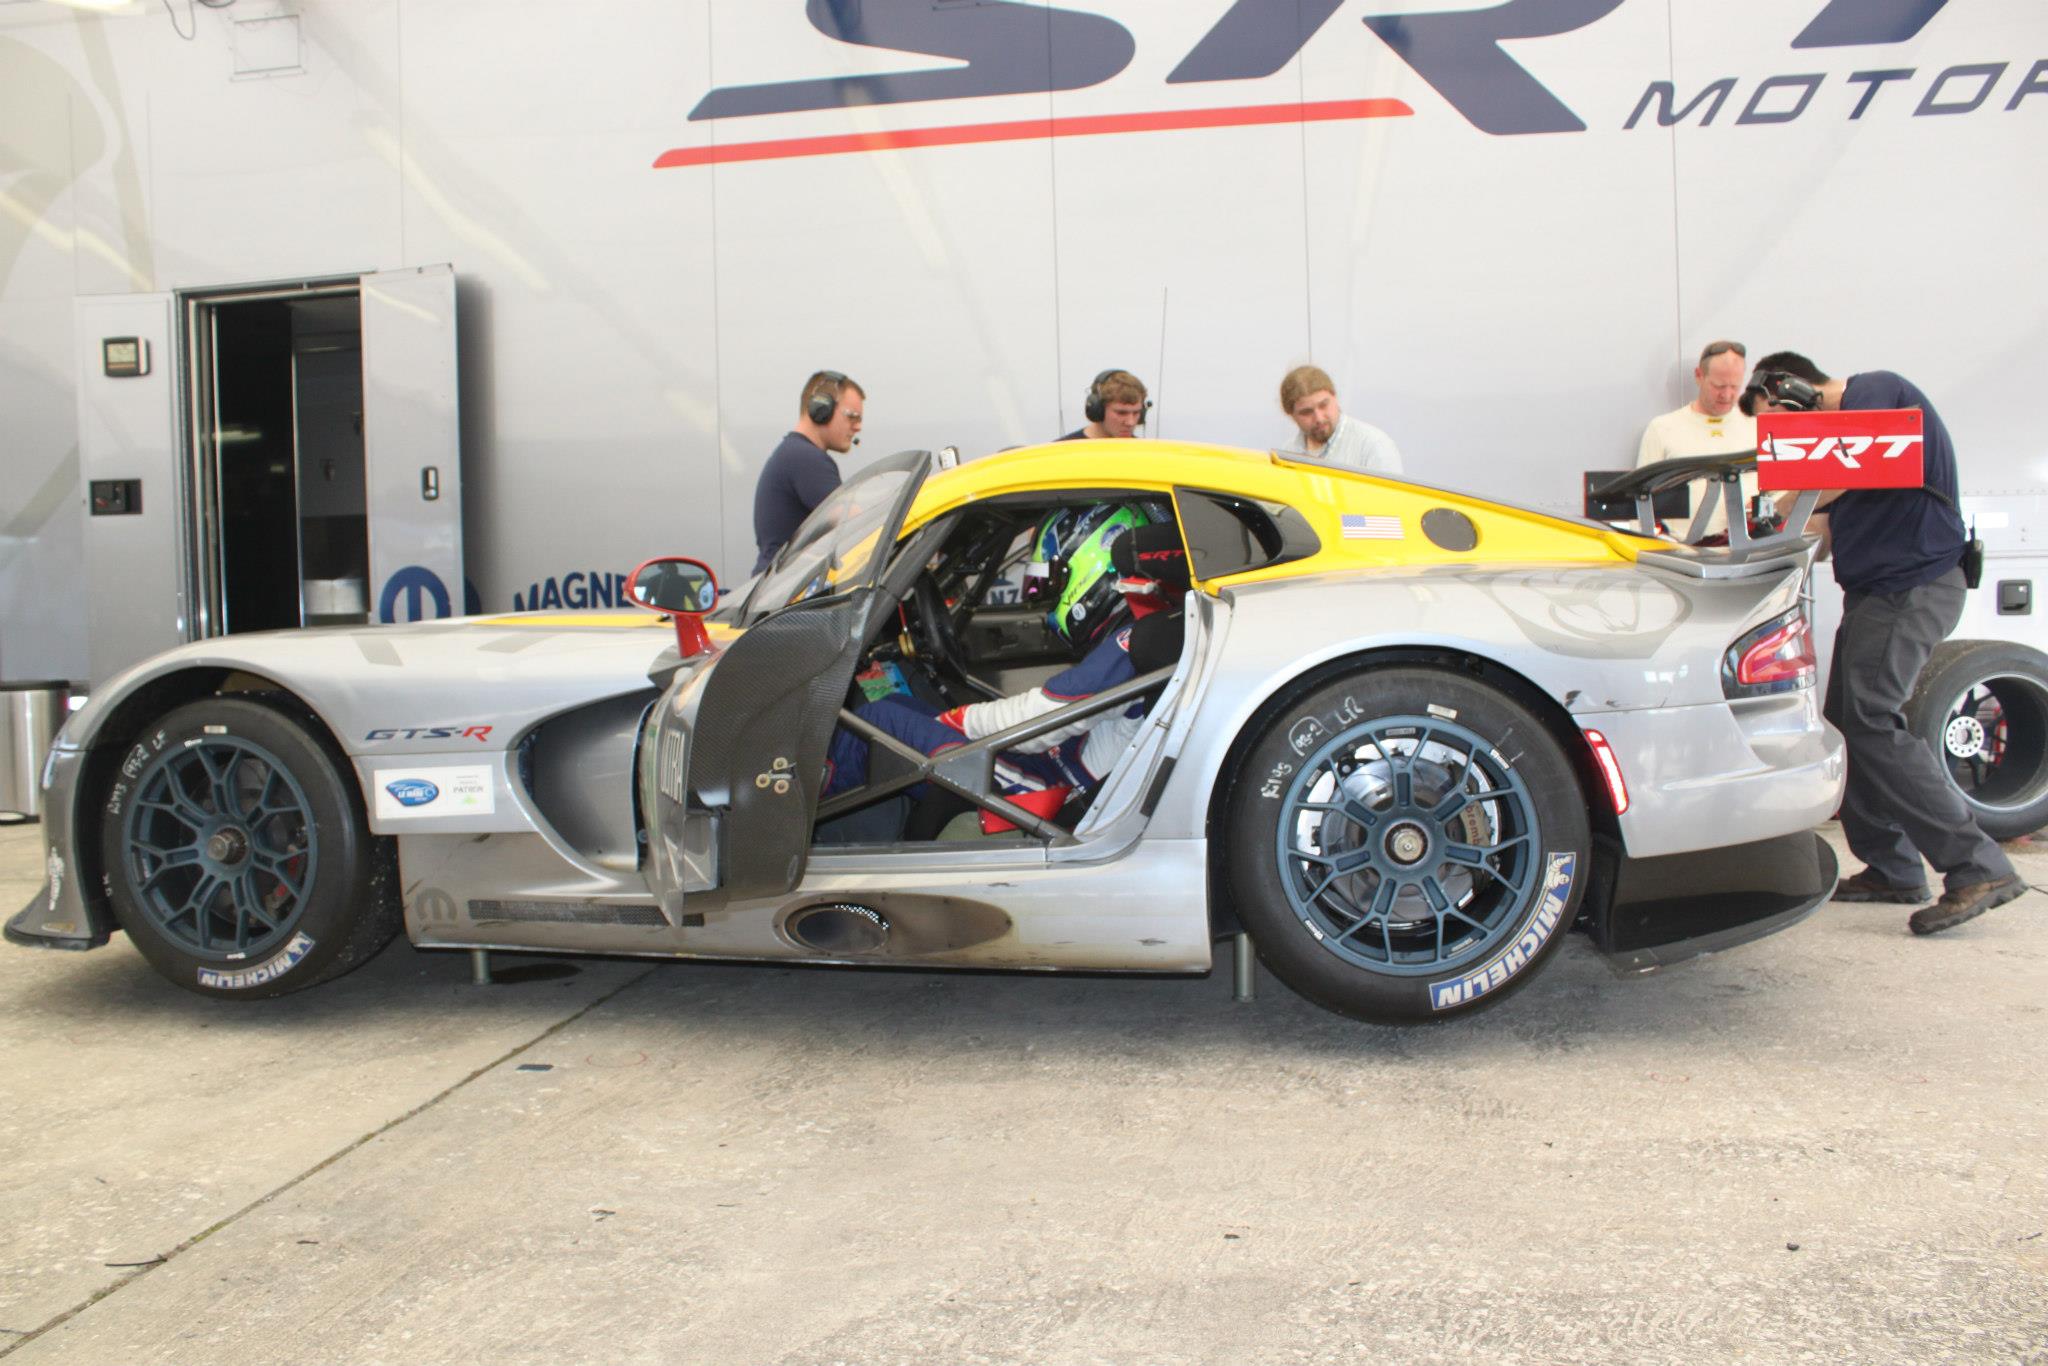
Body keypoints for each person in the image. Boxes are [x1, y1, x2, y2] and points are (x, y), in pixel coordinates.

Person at [1742, 351, 2025, 935]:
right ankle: (1892, 867)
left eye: (1782, 420)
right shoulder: (1846, 470)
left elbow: (1848, 468)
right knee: (1845, 720)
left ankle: (1978, 865)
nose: (1788, 441)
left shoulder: (1878, 391)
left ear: (1791, 389)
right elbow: (1815, 529)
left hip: (1913, 586)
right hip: (1878, 594)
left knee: (1872, 716)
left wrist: (1786, 498)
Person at [822, 523, 1191, 832]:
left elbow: (1042, 720)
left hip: (1053, 786)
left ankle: (810, 809)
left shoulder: (1136, 641)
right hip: (1055, 765)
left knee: (877, 723)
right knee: (895, 706)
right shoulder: (1149, 632)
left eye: (1051, 583)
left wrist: (960, 718)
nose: (1046, 597)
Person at [1635, 339, 1758, 540]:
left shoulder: (1755, 428)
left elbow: (1780, 498)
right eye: (1718, 386)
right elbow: (1639, 501)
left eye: (1734, 386)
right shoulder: (1663, 429)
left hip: (1747, 550)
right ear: (1699, 376)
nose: (1727, 395)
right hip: (1681, 552)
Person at [751, 370, 865, 574]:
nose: (858, 426)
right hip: (785, 595)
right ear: (821, 409)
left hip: (779, 588)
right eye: (852, 416)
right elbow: (859, 522)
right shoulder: (807, 459)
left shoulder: (794, 454)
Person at [1277, 365, 1402, 475]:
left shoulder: (1372, 445)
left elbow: (1390, 500)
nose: (1319, 418)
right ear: (1291, 415)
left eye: (1323, 405)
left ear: (1335, 397)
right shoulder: (1288, 452)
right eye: (1307, 412)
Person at [1057, 370, 1149, 441]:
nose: (1130, 422)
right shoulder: (1062, 453)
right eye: (1121, 413)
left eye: (1136, 413)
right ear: (1098, 410)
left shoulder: (1144, 454)